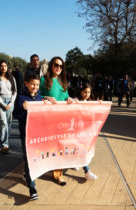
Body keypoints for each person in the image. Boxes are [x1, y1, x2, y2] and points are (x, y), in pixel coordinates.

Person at [39, 56, 72, 186]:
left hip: (61, 120)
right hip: (47, 120)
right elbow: (35, 95)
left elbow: (66, 96)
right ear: (51, 66)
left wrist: (70, 99)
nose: (58, 68)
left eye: (61, 66)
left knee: (59, 146)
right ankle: (39, 168)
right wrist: (45, 97)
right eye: (56, 65)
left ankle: (58, 174)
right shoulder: (43, 80)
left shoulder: (63, 82)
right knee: (46, 146)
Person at [14, 73, 45, 200]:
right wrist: (22, 108)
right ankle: (32, 187)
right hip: (26, 133)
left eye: (37, 84)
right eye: (32, 84)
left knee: (35, 156)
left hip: (37, 133)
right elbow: (15, 114)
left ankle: (27, 173)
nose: (35, 86)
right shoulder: (21, 97)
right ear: (26, 83)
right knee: (28, 157)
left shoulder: (40, 97)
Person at [0, 60, 17, 153]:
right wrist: (3, 104)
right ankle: (5, 145)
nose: (3, 67)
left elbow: (15, 92)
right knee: (3, 123)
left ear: (7, 67)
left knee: (9, 122)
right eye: (1, 66)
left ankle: (4, 139)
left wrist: (10, 103)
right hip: (0, 103)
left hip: (10, 102)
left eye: (5, 66)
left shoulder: (12, 78)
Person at [75, 83, 98, 180]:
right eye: (85, 92)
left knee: (82, 150)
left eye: (89, 92)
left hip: (85, 132)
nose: (87, 94)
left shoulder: (90, 102)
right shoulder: (76, 100)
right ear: (81, 92)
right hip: (76, 131)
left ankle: (79, 165)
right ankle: (87, 171)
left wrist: (99, 104)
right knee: (80, 149)